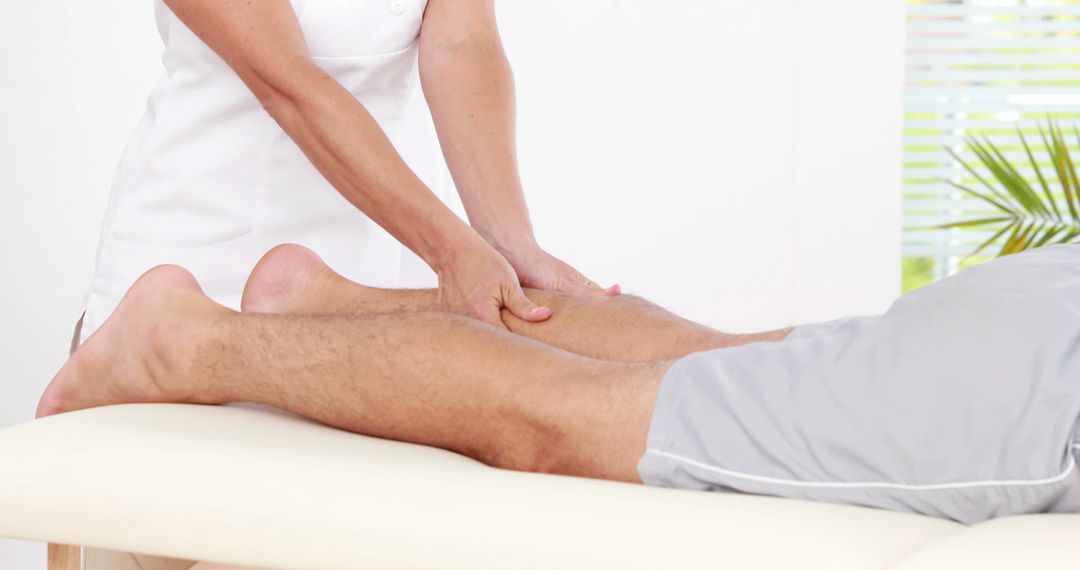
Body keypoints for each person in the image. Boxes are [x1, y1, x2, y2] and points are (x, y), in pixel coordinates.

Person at [41, 243, 1080, 528]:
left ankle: (318, 299)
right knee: (566, 426)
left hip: (1047, 315)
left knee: (715, 358)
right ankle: (186, 344)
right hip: (1037, 398)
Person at [77, 0, 616, 347]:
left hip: (370, 265)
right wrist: (453, 249)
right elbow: (287, 84)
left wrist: (509, 242)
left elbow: (463, 43)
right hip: (196, 260)